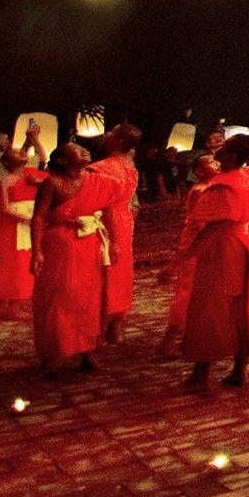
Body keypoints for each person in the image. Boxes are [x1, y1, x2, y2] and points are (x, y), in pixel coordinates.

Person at [31, 142, 134, 376]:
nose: (84, 151)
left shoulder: (99, 181)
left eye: (84, 149)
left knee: (91, 298)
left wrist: (116, 242)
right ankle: (54, 354)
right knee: (61, 297)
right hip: (60, 245)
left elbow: (107, 211)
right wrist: (37, 251)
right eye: (76, 150)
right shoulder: (52, 183)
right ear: (63, 161)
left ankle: (88, 352)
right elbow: (38, 218)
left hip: (90, 244)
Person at [179, 135, 249, 390]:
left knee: (211, 306)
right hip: (244, 244)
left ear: (230, 156)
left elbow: (209, 228)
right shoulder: (244, 177)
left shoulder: (222, 184)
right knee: (242, 304)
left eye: (224, 148)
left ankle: (201, 374)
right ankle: (239, 371)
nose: (218, 151)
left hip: (224, 248)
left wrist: (183, 258)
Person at [159, 152, 224, 358]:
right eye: (212, 162)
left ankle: (190, 337)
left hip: (207, 242)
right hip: (197, 242)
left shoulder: (214, 187)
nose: (217, 164)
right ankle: (167, 342)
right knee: (186, 293)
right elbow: (199, 221)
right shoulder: (200, 189)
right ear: (198, 171)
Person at [0, 133, 45, 318]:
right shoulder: (4, 178)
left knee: (25, 260)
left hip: (29, 220)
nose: (20, 153)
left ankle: (18, 302)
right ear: (7, 162)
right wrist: (26, 218)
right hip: (11, 224)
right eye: (15, 153)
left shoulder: (31, 173)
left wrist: (34, 140)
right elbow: (4, 208)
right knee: (10, 263)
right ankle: (5, 303)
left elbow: (43, 159)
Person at [88, 123, 140, 344]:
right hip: (124, 220)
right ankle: (117, 321)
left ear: (118, 141)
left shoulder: (100, 168)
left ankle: (101, 322)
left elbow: (101, 204)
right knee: (121, 271)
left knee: (102, 269)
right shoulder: (130, 166)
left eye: (113, 132)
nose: (107, 133)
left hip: (104, 221)